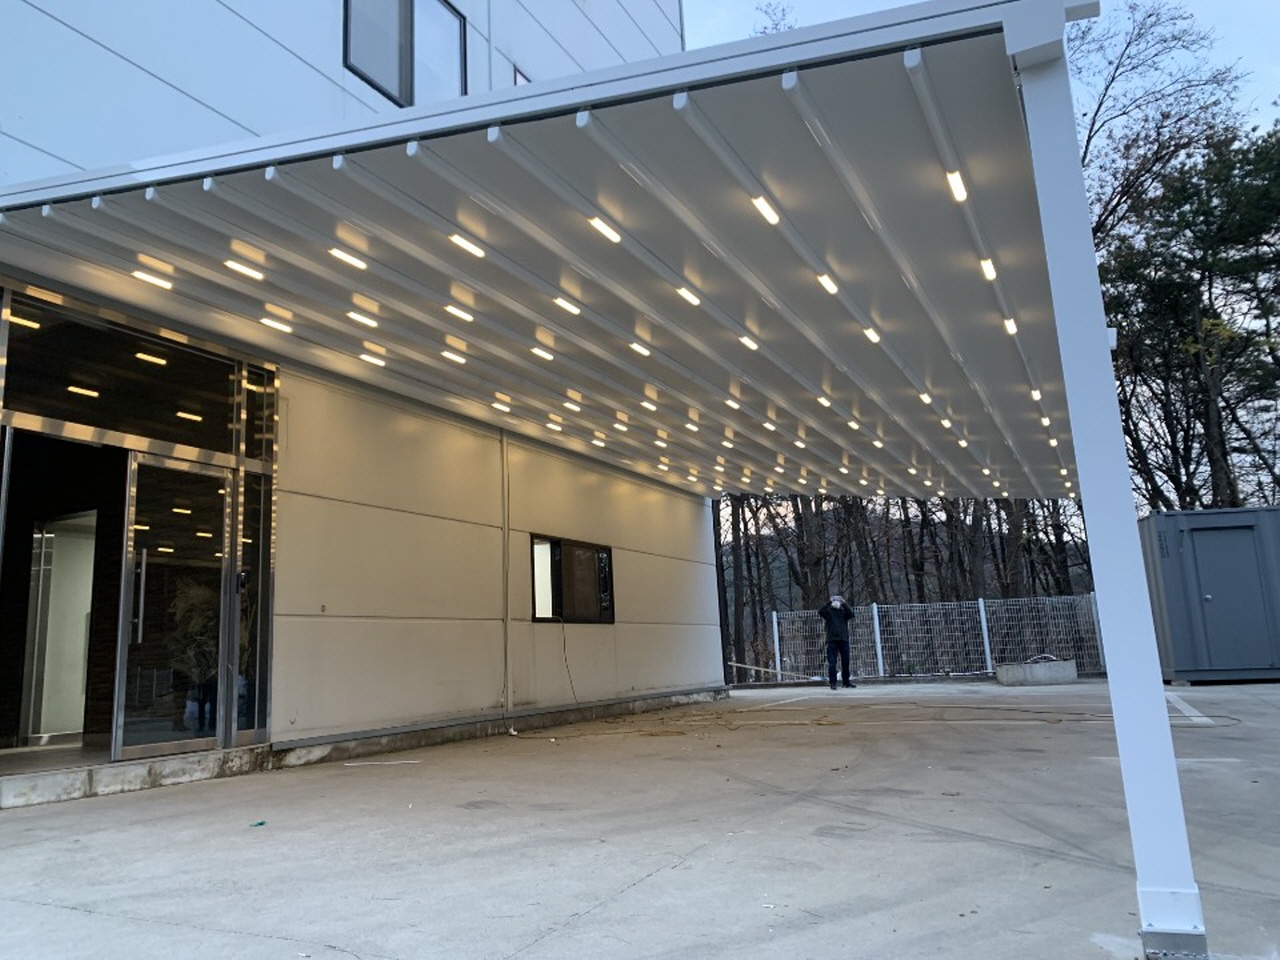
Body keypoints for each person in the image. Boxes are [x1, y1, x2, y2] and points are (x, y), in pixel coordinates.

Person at [817, 595, 856, 690]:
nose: (836, 602)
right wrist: (829, 602)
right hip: (832, 640)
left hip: (843, 639)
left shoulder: (843, 612)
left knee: (846, 661)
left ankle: (846, 682)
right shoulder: (828, 612)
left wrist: (844, 603)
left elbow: (851, 614)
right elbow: (820, 612)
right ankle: (833, 682)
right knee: (832, 662)